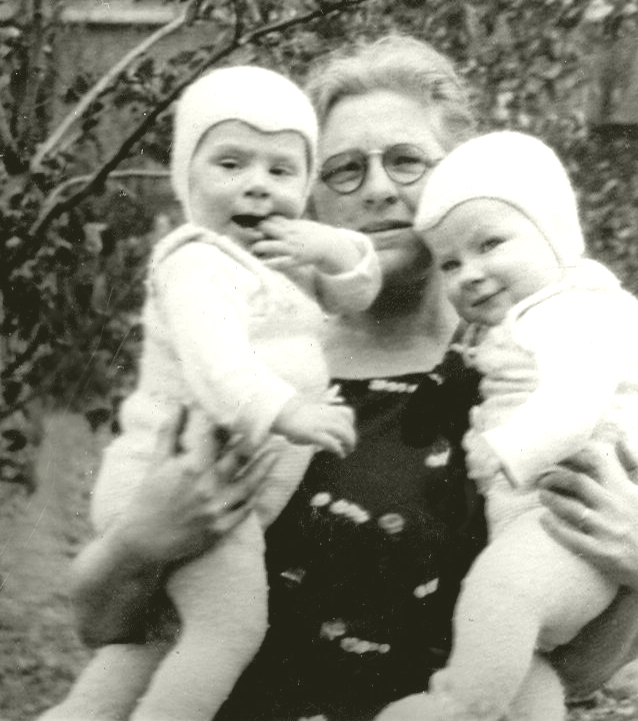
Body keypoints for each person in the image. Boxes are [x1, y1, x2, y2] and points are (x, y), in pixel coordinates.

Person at [64, 36, 638, 721]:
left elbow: (576, 667)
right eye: (343, 170)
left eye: (407, 161)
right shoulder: (251, 368)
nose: (378, 189)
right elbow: (105, 628)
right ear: (308, 193)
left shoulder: (529, 381)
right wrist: (140, 540)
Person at [38, 65, 382, 721]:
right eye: (231, 163)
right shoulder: (196, 262)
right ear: (186, 177)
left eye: (282, 171)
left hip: (214, 489)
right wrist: (289, 411)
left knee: (152, 643)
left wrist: (332, 245)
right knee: (229, 629)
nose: (258, 183)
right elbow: (219, 367)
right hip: (177, 480)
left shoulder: (274, 268)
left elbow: (358, 294)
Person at [376, 130, 638, 721]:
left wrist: (507, 448)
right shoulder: (527, 319)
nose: (469, 273)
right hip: (540, 522)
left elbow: (574, 403)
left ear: (554, 235)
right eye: (449, 263)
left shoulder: (576, 310)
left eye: (490, 243)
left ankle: (457, 707)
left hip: (569, 514)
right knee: (526, 663)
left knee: (499, 597)